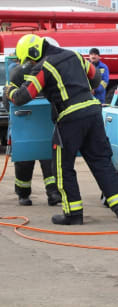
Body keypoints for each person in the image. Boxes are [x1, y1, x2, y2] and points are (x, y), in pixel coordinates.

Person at [4, 34, 118, 225]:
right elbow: (95, 78)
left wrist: (9, 90)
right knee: (101, 161)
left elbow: (23, 97)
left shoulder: (43, 67)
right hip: (93, 112)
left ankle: (73, 213)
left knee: (62, 167)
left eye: (29, 59)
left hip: (70, 119)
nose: (29, 63)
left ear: (34, 52)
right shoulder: (75, 55)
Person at [3, 55, 62, 207]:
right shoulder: (20, 73)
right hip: (31, 123)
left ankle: (51, 193)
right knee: (29, 160)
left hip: (33, 122)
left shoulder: (41, 70)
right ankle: (25, 193)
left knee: (46, 158)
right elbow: (8, 98)